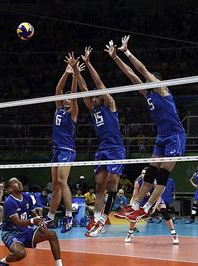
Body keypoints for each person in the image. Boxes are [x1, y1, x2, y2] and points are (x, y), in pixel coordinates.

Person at [105, 36, 186, 222]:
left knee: (163, 173)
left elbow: (141, 70)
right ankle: (134, 205)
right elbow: (131, 76)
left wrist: (126, 52)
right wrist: (115, 57)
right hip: (162, 136)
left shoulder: (162, 89)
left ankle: (147, 207)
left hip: (176, 136)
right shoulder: (147, 93)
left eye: (149, 80)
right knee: (150, 171)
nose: (145, 81)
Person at [70, 49, 125, 237]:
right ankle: (96, 219)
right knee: (99, 185)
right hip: (102, 149)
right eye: (93, 97)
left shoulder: (110, 104)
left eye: (96, 96)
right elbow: (84, 89)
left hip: (116, 149)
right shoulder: (93, 109)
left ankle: (102, 220)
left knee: (111, 184)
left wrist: (89, 63)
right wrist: (76, 70)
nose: (94, 97)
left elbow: (99, 85)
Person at [45, 60, 84, 233]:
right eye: (66, 97)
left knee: (62, 181)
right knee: (54, 185)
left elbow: (74, 96)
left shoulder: (73, 111)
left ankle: (69, 216)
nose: (67, 99)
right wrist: (67, 72)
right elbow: (57, 91)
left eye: (70, 98)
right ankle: (50, 218)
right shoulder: (58, 108)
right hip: (56, 150)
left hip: (67, 150)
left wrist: (75, 76)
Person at [0, 177, 62, 266]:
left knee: (52, 234)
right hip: (11, 233)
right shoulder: (9, 202)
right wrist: (32, 221)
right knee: (20, 254)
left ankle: (59, 265)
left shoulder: (27, 196)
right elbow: (18, 222)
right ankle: (3, 262)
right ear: (10, 189)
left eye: (18, 181)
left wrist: (40, 222)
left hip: (26, 230)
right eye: (15, 182)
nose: (19, 183)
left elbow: (33, 213)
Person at [124, 168, 179, 244]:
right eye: (142, 173)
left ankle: (174, 234)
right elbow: (134, 196)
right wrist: (131, 205)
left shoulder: (154, 183)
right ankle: (130, 233)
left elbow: (159, 197)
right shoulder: (138, 183)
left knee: (164, 211)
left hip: (155, 199)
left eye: (145, 173)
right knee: (134, 214)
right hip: (143, 200)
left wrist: (155, 207)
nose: (144, 175)